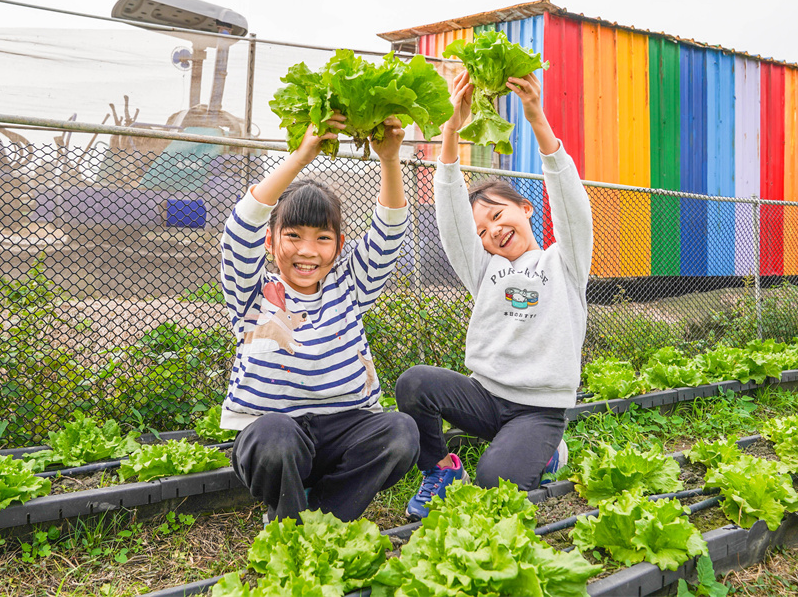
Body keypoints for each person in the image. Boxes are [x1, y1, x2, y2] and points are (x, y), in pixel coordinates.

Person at [396, 70, 593, 519]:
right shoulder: (483, 268)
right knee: (414, 383)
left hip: (538, 411)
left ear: (525, 209)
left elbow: (570, 203)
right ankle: (442, 470)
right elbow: (449, 213)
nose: (493, 231)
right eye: (482, 230)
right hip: (484, 397)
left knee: (494, 483)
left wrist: (536, 118)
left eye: (499, 216)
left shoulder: (564, 263)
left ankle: (547, 452)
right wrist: (450, 130)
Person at [220, 113, 419, 522]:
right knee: (275, 438)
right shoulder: (252, 292)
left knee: (401, 433)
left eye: (322, 238)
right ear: (270, 242)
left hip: (346, 431)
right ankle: (288, 525)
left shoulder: (351, 284)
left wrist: (389, 158)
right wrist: (299, 157)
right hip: (275, 435)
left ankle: (327, 517)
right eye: (293, 236)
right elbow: (240, 227)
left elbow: (390, 229)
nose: (308, 251)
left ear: (339, 244)